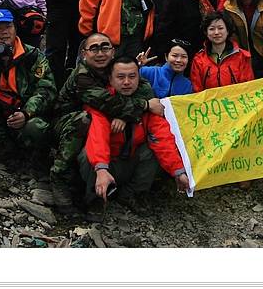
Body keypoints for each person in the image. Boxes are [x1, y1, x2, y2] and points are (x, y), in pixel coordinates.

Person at [50, 32, 156, 213]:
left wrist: (125, 114)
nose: (100, 53)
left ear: (113, 51)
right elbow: (108, 103)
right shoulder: (81, 77)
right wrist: (143, 106)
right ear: (84, 53)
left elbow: (143, 87)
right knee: (85, 120)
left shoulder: (114, 68)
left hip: (103, 125)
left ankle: (126, 190)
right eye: (94, 48)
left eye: (105, 47)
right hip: (68, 123)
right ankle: (60, 177)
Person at [79, 57, 189, 210]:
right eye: (120, 77)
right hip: (107, 166)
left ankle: (131, 194)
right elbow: (98, 137)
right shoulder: (101, 103)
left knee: (152, 150)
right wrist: (102, 169)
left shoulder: (149, 105)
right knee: (87, 155)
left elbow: (162, 138)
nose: (126, 82)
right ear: (110, 79)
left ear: (139, 78)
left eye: (132, 77)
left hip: (130, 162)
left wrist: (178, 172)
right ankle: (95, 199)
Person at [0, 9, 56, 165]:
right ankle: (5, 147)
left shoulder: (33, 56)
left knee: (36, 128)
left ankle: (36, 156)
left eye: (7, 27)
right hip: (1, 114)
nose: (4, 33)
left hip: (26, 114)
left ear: (15, 28)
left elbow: (46, 90)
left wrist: (27, 113)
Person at [189, 11, 254, 92]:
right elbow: (197, 90)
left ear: (228, 31)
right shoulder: (199, 60)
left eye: (220, 28)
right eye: (212, 29)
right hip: (209, 103)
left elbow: (248, 87)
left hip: (235, 102)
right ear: (206, 32)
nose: (216, 32)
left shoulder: (242, 56)